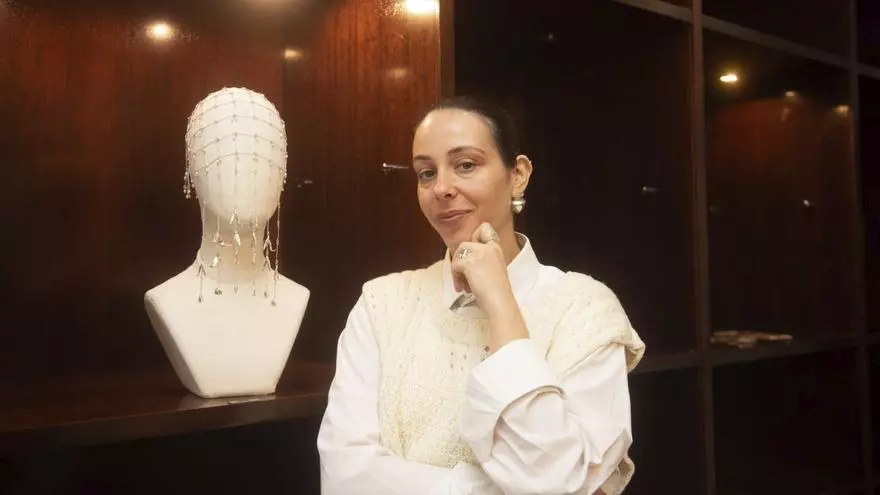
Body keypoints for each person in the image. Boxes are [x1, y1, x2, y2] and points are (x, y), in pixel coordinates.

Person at [316, 96, 646, 495]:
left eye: (466, 165)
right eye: (426, 173)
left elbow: (558, 480)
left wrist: (501, 305)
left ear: (518, 175)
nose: (441, 188)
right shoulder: (382, 304)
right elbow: (345, 474)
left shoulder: (585, 310)